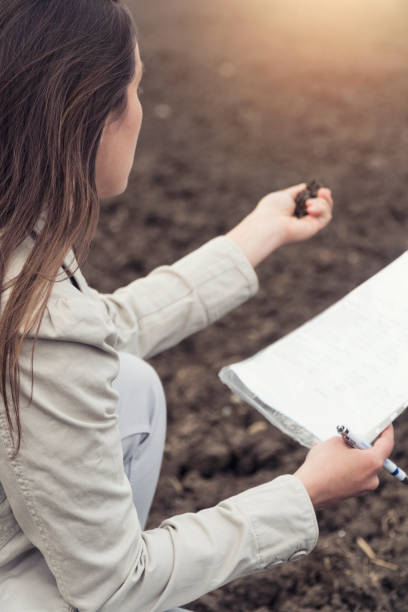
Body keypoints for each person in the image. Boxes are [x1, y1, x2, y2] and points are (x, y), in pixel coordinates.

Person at [0, 1, 394, 611]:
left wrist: (257, 234)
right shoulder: (39, 317)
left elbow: (103, 331)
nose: (138, 113)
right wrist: (304, 492)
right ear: (88, 119)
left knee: (128, 383)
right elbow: (115, 583)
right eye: (133, 90)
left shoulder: (17, 245)